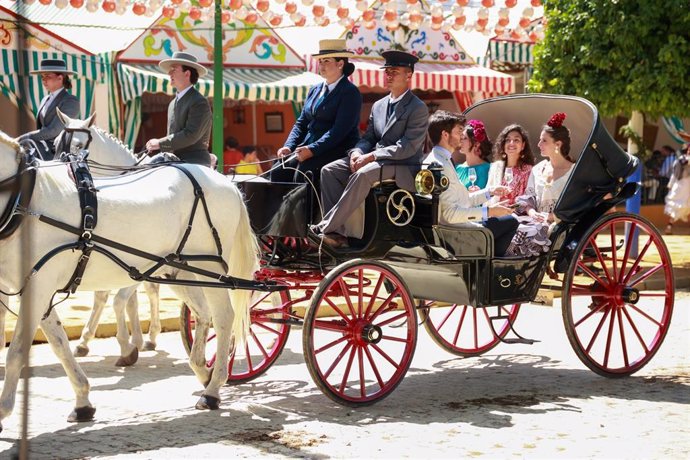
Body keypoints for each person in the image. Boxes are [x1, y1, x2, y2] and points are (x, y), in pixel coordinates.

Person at [310, 50, 429, 248]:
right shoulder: (379, 105)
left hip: (403, 165)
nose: (389, 75)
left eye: (394, 72)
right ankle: (337, 235)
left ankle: (326, 227)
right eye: (387, 71)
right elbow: (369, 137)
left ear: (409, 75)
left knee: (363, 174)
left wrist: (372, 156)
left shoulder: (417, 108)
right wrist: (357, 152)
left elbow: (406, 147)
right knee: (329, 170)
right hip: (378, 161)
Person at [423, 110, 517, 256]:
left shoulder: (439, 159)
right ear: (445, 134)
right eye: (459, 131)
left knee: (507, 219)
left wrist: (490, 192)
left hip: (453, 226)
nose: (462, 135)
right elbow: (450, 215)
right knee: (511, 221)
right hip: (456, 231)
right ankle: (488, 268)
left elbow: (462, 200)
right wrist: (489, 212)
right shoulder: (439, 164)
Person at [270, 39, 362, 184]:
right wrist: (288, 146)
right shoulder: (315, 89)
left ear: (340, 64)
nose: (322, 65)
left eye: (326, 61)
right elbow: (301, 123)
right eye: (320, 61)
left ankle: (310, 208)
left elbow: (338, 131)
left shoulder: (350, 92)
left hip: (335, 148)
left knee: (304, 173)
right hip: (308, 147)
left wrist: (312, 150)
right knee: (278, 170)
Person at [505, 112, 576, 257]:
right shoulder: (538, 169)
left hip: (559, 226)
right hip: (534, 219)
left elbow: (575, 205)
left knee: (537, 229)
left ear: (558, 144)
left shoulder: (573, 172)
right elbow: (529, 197)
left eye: (544, 141)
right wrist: (532, 212)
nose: (538, 145)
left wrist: (550, 217)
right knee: (506, 224)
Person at [145, 51, 212, 167]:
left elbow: (191, 135)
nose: (169, 73)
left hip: (194, 162)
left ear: (187, 74)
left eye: (174, 69)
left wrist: (160, 143)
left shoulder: (199, 102)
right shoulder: (172, 103)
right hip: (173, 161)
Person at [17, 59, 80, 160]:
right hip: (40, 149)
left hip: (60, 156)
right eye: (42, 77)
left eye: (48, 76)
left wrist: (26, 137)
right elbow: (41, 128)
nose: (44, 80)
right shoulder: (45, 99)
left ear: (60, 78)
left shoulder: (70, 101)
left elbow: (54, 130)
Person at [487, 124, 536, 205]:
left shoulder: (529, 170)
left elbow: (529, 200)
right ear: (503, 145)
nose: (511, 143)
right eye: (507, 140)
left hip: (518, 215)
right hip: (496, 213)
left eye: (516, 140)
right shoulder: (496, 167)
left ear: (523, 145)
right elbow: (488, 195)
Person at [455, 119, 493, 191]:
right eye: (461, 138)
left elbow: (491, 196)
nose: (461, 141)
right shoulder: (457, 168)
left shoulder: (489, 169)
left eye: (465, 138)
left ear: (476, 144)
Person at [663, 144, 690, 234]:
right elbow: (675, 174)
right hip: (682, 185)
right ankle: (669, 227)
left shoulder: (679, 160)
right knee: (677, 206)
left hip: (682, 185)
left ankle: (669, 227)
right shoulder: (680, 160)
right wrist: (670, 185)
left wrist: (670, 185)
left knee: (680, 206)